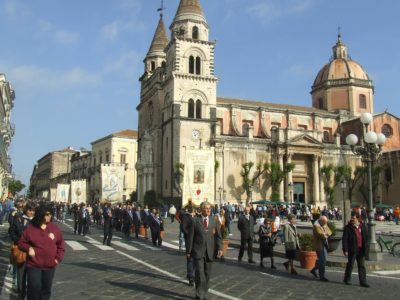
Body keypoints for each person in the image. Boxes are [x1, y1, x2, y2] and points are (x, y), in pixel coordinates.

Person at [18, 205, 65, 300]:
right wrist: (28, 248)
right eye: (47, 214)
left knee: (46, 290)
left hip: (50, 266)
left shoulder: (55, 229)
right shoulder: (31, 229)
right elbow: (21, 242)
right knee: (34, 288)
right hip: (34, 265)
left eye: (50, 214)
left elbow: (61, 246)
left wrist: (57, 259)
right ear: (40, 215)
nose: (49, 216)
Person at [186, 201, 222, 300]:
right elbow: (190, 237)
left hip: (210, 251)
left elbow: (219, 236)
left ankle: (205, 294)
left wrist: (220, 248)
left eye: (209, 208)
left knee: (207, 274)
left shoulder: (214, 221)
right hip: (198, 251)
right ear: (201, 210)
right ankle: (199, 295)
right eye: (205, 208)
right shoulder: (195, 221)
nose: (208, 210)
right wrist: (188, 251)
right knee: (200, 274)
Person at [342, 211, 370, 287]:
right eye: (351, 218)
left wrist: (367, 248)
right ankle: (347, 279)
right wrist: (345, 249)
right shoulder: (348, 227)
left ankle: (363, 281)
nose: (352, 219)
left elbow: (366, 238)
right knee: (350, 264)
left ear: (357, 218)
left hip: (361, 249)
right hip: (352, 249)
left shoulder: (363, 226)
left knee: (362, 265)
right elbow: (345, 239)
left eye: (353, 218)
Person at [310, 216, 332, 281]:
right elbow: (321, 235)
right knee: (322, 260)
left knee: (323, 260)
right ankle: (322, 276)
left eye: (326, 223)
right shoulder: (316, 226)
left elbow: (330, 232)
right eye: (324, 223)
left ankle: (314, 270)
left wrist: (325, 233)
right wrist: (325, 234)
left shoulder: (323, 224)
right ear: (321, 221)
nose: (325, 224)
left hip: (324, 245)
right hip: (319, 245)